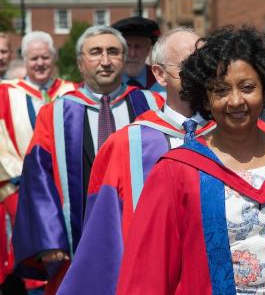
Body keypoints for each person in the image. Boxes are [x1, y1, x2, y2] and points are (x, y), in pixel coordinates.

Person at [116, 25, 265, 294]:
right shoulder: (177, 170)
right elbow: (148, 273)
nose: (235, 101)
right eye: (221, 90)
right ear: (205, 96)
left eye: (247, 87)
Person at [57, 27, 216, 295]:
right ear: (159, 74)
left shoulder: (236, 137)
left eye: (206, 64)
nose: (199, 73)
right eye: (188, 65)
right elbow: (104, 232)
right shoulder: (125, 145)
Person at [12, 25, 163, 295]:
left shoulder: (151, 105)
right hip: (77, 239)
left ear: (124, 58)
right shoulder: (56, 113)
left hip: (140, 231)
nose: (105, 61)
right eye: (95, 52)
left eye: (113, 52)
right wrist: (50, 239)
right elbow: (38, 178)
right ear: (81, 63)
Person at [0, 31, 76, 295]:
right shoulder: (6, 93)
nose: (40, 63)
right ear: (24, 60)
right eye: (34, 58)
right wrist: (22, 178)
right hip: (21, 188)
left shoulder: (72, 92)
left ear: (54, 58)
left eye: (45, 57)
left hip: (67, 186)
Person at [112, 16, 165, 96]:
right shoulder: (109, 82)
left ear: (148, 51)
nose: (132, 54)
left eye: (138, 47)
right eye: (127, 47)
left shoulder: (162, 82)